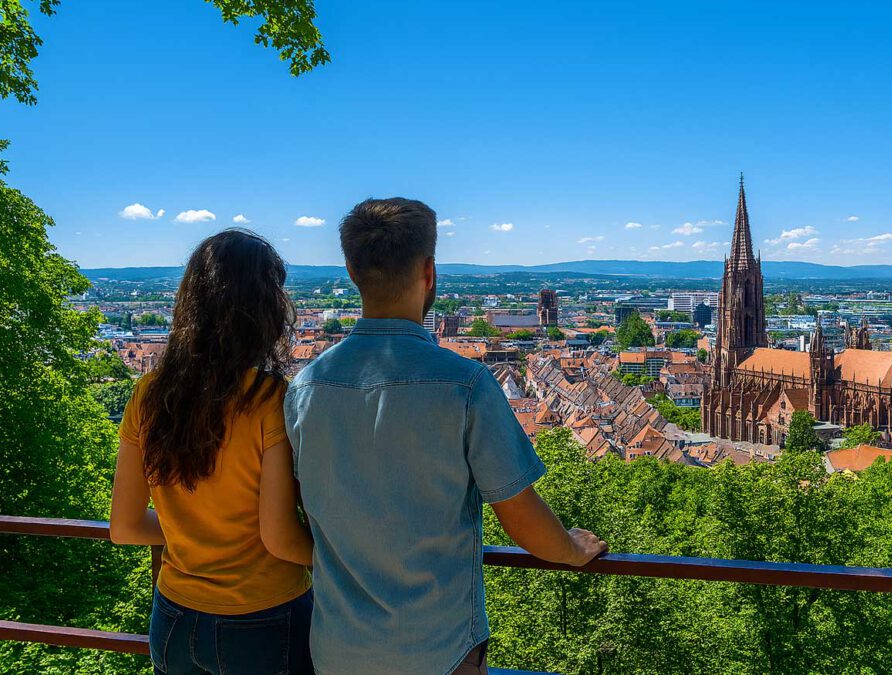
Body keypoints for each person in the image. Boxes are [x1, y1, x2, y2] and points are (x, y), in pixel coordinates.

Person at [285, 198, 608, 675]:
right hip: (438, 649)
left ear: (353, 272)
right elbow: (522, 522)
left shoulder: (305, 389)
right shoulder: (467, 386)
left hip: (338, 649)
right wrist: (573, 548)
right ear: (430, 271)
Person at [110, 229, 315, 675]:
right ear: (266, 310)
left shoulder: (149, 392)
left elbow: (125, 527)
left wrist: (196, 533)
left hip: (175, 619)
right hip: (263, 620)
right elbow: (278, 537)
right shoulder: (268, 398)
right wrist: (346, 561)